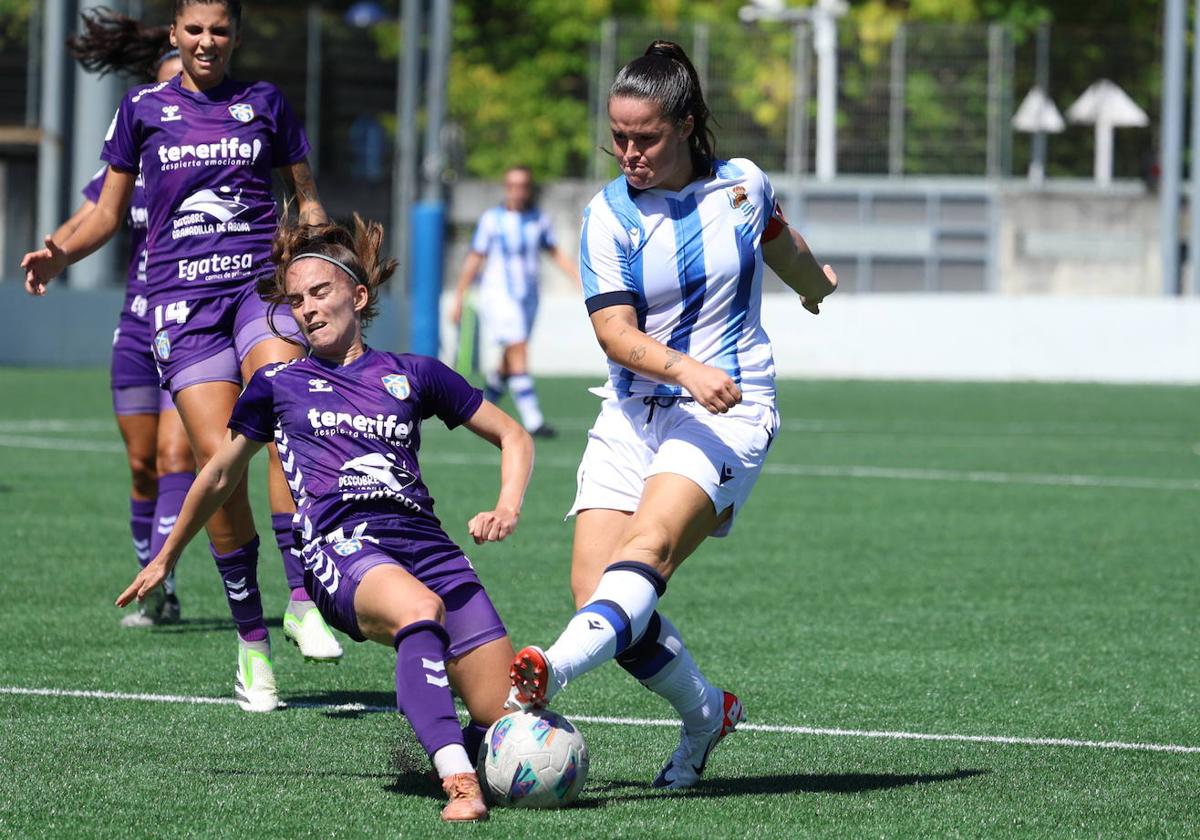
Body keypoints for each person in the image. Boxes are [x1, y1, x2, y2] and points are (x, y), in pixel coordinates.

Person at [118, 214, 532, 822]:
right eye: (295, 301)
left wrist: (507, 506)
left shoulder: (413, 373)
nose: (306, 310)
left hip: (429, 546)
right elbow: (219, 474)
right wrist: (165, 557)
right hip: (341, 547)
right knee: (420, 613)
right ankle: (459, 785)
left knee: (504, 721)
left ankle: (461, 745)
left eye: (320, 293)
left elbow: (513, 435)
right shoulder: (276, 383)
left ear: (358, 297)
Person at [507, 40, 838, 789]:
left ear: (686, 125)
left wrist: (815, 286)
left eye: (645, 137)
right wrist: (685, 368)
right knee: (599, 593)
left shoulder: (744, 184)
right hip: (633, 410)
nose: (629, 152)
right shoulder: (607, 217)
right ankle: (705, 714)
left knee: (648, 548)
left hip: (731, 409)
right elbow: (614, 333)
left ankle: (548, 670)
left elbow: (777, 241)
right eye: (618, 137)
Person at [22, 0, 342, 710]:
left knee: (286, 413)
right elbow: (106, 212)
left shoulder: (265, 103)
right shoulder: (141, 109)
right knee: (220, 464)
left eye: (219, 30)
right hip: (181, 310)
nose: (206, 41)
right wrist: (59, 251)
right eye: (194, 29)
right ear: (174, 33)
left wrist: (324, 250)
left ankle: (299, 596)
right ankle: (252, 645)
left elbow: (306, 198)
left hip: (257, 291)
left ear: (235, 35)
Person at [29, 30, 193, 627]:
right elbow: (96, 211)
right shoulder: (137, 154)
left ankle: (159, 583)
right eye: (167, 82)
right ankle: (154, 573)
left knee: (178, 453)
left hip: (193, 325)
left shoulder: (215, 154)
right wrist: (55, 249)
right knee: (142, 464)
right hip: (136, 326)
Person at [449, 165, 580, 438]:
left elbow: (554, 251)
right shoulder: (492, 220)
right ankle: (534, 420)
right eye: (512, 185)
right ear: (505, 188)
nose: (517, 191)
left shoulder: (538, 220)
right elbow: (475, 257)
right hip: (499, 296)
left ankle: (484, 406)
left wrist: (579, 279)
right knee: (518, 349)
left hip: (528, 297)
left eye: (522, 186)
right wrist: (459, 296)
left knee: (510, 358)